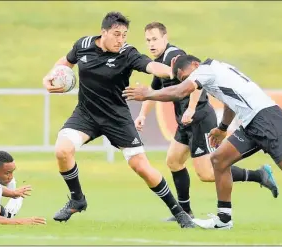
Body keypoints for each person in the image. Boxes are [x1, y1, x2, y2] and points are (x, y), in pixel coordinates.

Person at [122, 55, 282, 231]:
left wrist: (149, 94)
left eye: (185, 76)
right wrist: (221, 128)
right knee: (218, 159)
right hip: (252, 122)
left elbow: (179, 92)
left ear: (195, 65)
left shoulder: (205, 71)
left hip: (267, 119)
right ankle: (224, 218)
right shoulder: (218, 70)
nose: (186, 82)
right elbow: (230, 102)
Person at [42, 12, 194, 228]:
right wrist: (48, 76)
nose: (120, 39)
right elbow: (65, 62)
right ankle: (77, 200)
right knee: (62, 150)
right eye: (116, 34)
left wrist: (173, 73)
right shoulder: (83, 44)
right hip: (86, 114)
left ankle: (180, 213)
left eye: (124, 35)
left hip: (116, 117)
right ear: (103, 32)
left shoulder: (127, 53)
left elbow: (151, 66)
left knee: (141, 167)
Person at [136, 22, 278, 221]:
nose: (151, 44)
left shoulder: (173, 56)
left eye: (155, 39)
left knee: (207, 174)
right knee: (174, 161)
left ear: (165, 38)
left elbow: (197, 81)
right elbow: (154, 91)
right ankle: (184, 213)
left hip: (200, 118)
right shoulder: (160, 61)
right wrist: (142, 115)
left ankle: (259, 175)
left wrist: (192, 108)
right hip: (185, 121)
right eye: (148, 40)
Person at [0, 150, 46, 225]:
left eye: (12, 172)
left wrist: (12, 193)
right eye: (7, 173)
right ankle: (7, 215)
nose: (11, 177)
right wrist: (23, 221)